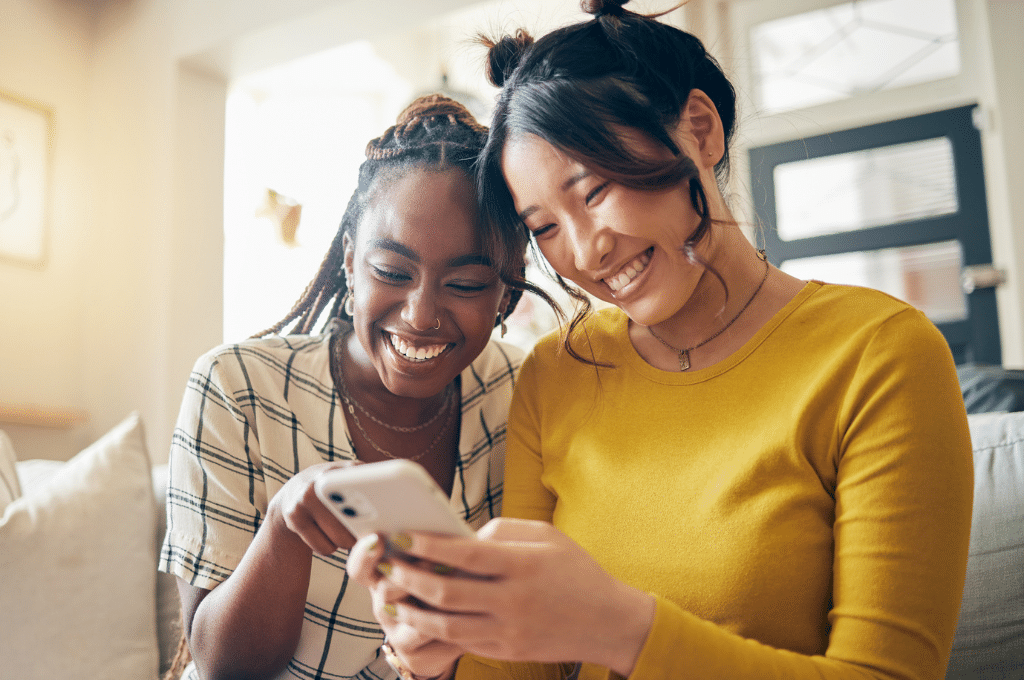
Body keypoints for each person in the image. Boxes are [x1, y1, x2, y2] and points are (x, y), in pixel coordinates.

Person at [345, 3, 975, 679]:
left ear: (699, 131)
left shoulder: (877, 355)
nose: (586, 252)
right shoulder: (558, 371)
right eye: (546, 227)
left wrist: (619, 627)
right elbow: (517, 669)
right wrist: (438, 657)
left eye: (595, 189)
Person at [159, 94, 551, 680]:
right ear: (348, 261)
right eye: (391, 273)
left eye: (465, 283)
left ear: (508, 294)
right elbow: (224, 666)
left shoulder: (520, 394)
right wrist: (284, 527)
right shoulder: (237, 388)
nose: (420, 316)